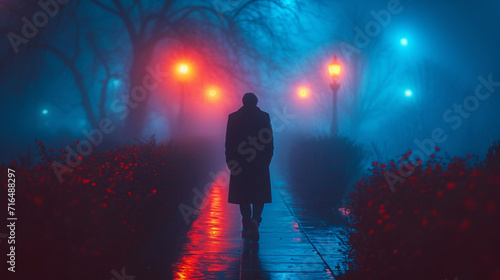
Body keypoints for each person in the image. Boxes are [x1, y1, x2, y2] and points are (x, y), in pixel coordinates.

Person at [225, 92, 273, 241]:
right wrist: (266, 160)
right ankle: (255, 220)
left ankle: (246, 223)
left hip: (240, 162)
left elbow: (229, 142)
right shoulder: (264, 117)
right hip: (259, 163)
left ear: (243, 102)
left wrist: (230, 160)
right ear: (256, 102)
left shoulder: (233, 117)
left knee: (243, 195)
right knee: (259, 195)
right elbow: (269, 142)